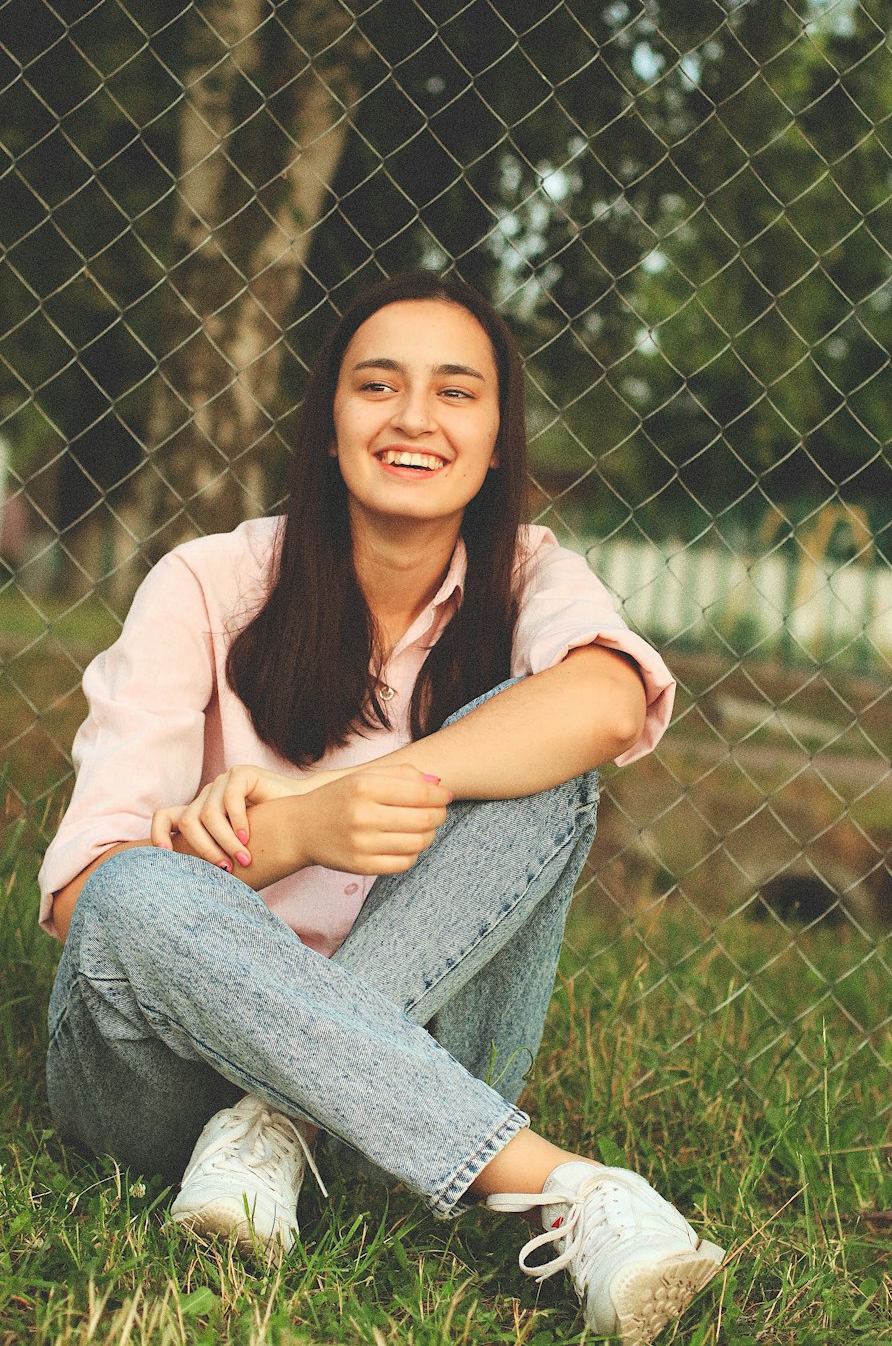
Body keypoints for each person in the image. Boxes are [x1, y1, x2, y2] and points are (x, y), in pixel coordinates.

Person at [38, 270, 725, 1343]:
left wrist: (352, 791)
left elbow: (606, 700)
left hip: (428, 1045)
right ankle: (560, 1185)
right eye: (377, 386)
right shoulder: (209, 584)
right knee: (132, 890)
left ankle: (276, 1130)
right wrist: (297, 838)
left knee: (548, 757)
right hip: (165, 1085)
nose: (414, 418)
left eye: (456, 392)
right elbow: (87, 900)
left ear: (497, 439)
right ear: (327, 425)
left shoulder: (530, 576)